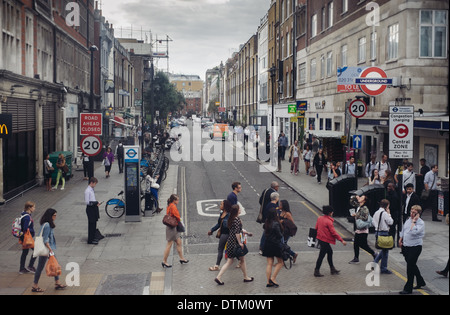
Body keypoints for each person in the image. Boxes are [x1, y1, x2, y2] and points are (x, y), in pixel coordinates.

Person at [214, 204, 254, 285]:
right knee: (242, 260)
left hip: (230, 242)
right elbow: (236, 232)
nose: (240, 210)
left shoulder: (231, 219)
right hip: (235, 243)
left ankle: (218, 277)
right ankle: (246, 277)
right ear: (236, 211)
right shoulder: (237, 220)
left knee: (230, 261)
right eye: (239, 209)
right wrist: (239, 242)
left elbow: (237, 230)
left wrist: (247, 233)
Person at [31, 208, 66, 293]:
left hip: (47, 249)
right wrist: (50, 249)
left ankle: (57, 282)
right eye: (54, 215)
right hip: (46, 249)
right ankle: (35, 286)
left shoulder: (47, 224)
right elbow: (45, 239)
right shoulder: (47, 225)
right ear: (50, 216)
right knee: (41, 267)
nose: (55, 217)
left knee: (54, 264)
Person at [398, 205, 426, 294]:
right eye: (411, 212)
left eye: (414, 213)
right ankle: (420, 281)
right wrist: (400, 239)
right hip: (406, 246)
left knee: (410, 267)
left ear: (418, 214)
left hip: (415, 247)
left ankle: (408, 288)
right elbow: (404, 230)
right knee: (412, 265)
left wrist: (414, 222)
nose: (411, 214)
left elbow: (414, 232)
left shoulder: (421, 223)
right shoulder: (408, 220)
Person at [314, 206, 347, 277]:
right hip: (325, 240)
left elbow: (316, 228)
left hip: (320, 239)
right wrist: (342, 240)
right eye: (332, 212)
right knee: (321, 255)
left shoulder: (319, 218)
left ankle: (332, 269)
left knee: (330, 252)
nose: (332, 213)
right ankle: (316, 271)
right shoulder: (329, 222)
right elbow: (334, 233)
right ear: (329, 213)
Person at [162, 194, 189, 268]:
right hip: (172, 228)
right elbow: (177, 216)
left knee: (179, 242)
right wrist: (180, 220)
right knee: (169, 244)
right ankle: (164, 261)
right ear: (174, 200)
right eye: (177, 200)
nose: (178, 201)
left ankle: (182, 258)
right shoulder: (173, 206)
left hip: (172, 227)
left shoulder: (170, 205)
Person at [349, 195, 376, 264]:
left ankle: (374, 254)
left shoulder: (365, 208)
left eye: (362, 198)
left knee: (363, 245)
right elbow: (352, 202)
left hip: (363, 229)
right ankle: (356, 258)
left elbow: (365, 218)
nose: (360, 198)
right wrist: (356, 197)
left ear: (364, 201)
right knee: (356, 244)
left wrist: (356, 215)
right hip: (358, 229)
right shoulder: (359, 206)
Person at [208, 200, 232, 271]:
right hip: (223, 234)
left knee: (222, 249)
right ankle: (240, 261)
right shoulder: (222, 213)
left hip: (227, 234)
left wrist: (225, 221)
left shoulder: (229, 215)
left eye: (221, 204)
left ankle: (216, 266)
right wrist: (212, 230)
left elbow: (226, 225)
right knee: (222, 249)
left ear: (225, 206)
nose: (220, 205)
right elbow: (219, 224)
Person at [262, 208, 284, 287]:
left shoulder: (267, 222)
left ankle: (268, 282)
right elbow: (279, 235)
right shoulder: (276, 223)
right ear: (275, 214)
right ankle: (273, 278)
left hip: (267, 244)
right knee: (281, 262)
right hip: (275, 245)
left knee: (269, 263)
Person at [373, 199, 394, 274]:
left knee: (383, 250)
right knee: (385, 252)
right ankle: (383, 268)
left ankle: (375, 263)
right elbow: (391, 222)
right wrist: (389, 214)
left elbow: (373, 222)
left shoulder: (376, 212)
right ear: (387, 206)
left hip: (377, 232)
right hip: (384, 233)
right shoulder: (384, 213)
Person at [19, 201, 36, 274]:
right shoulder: (27, 217)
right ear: (29, 208)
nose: (34, 208)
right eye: (34, 207)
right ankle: (30, 266)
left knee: (25, 253)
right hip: (27, 238)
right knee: (36, 251)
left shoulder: (24, 215)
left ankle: (22, 269)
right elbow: (25, 228)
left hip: (24, 237)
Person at [84, 177, 102, 245]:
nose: (95, 185)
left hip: (94, 207)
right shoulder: (87, 191)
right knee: (91, 224)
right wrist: (95, 202)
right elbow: (87, 202)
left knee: (94, 223)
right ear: (91, 183)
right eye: (95, 184)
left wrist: (96, 203)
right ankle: (90, 240)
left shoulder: (91, 189)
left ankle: (93, 237)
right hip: (90, 209)